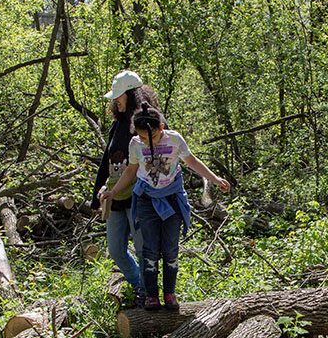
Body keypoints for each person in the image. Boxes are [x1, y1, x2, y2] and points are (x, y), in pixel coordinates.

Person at [100, 102, 230, 311]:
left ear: (161, 128)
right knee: (148, 249)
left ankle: (170, 292)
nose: (146, 141)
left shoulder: (174, 139)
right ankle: (151, 295)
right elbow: (131, 170)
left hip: (171, 198)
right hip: (146, 200)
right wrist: (113, 192)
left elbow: (192, 161)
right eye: (142, 137)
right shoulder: (135, 144)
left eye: (150, 137)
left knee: (170, 249)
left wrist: (214, 179)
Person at [89, 70, 160, 307]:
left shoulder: (145, 124)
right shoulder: (116, 125)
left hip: (139, 199)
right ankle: (139, 284)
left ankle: (148, 293)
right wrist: (95, 196)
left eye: (119, 96)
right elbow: (105, 162)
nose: (115, 101)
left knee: (142, 249)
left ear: (133, 95)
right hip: (114, 199)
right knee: (116, 249)